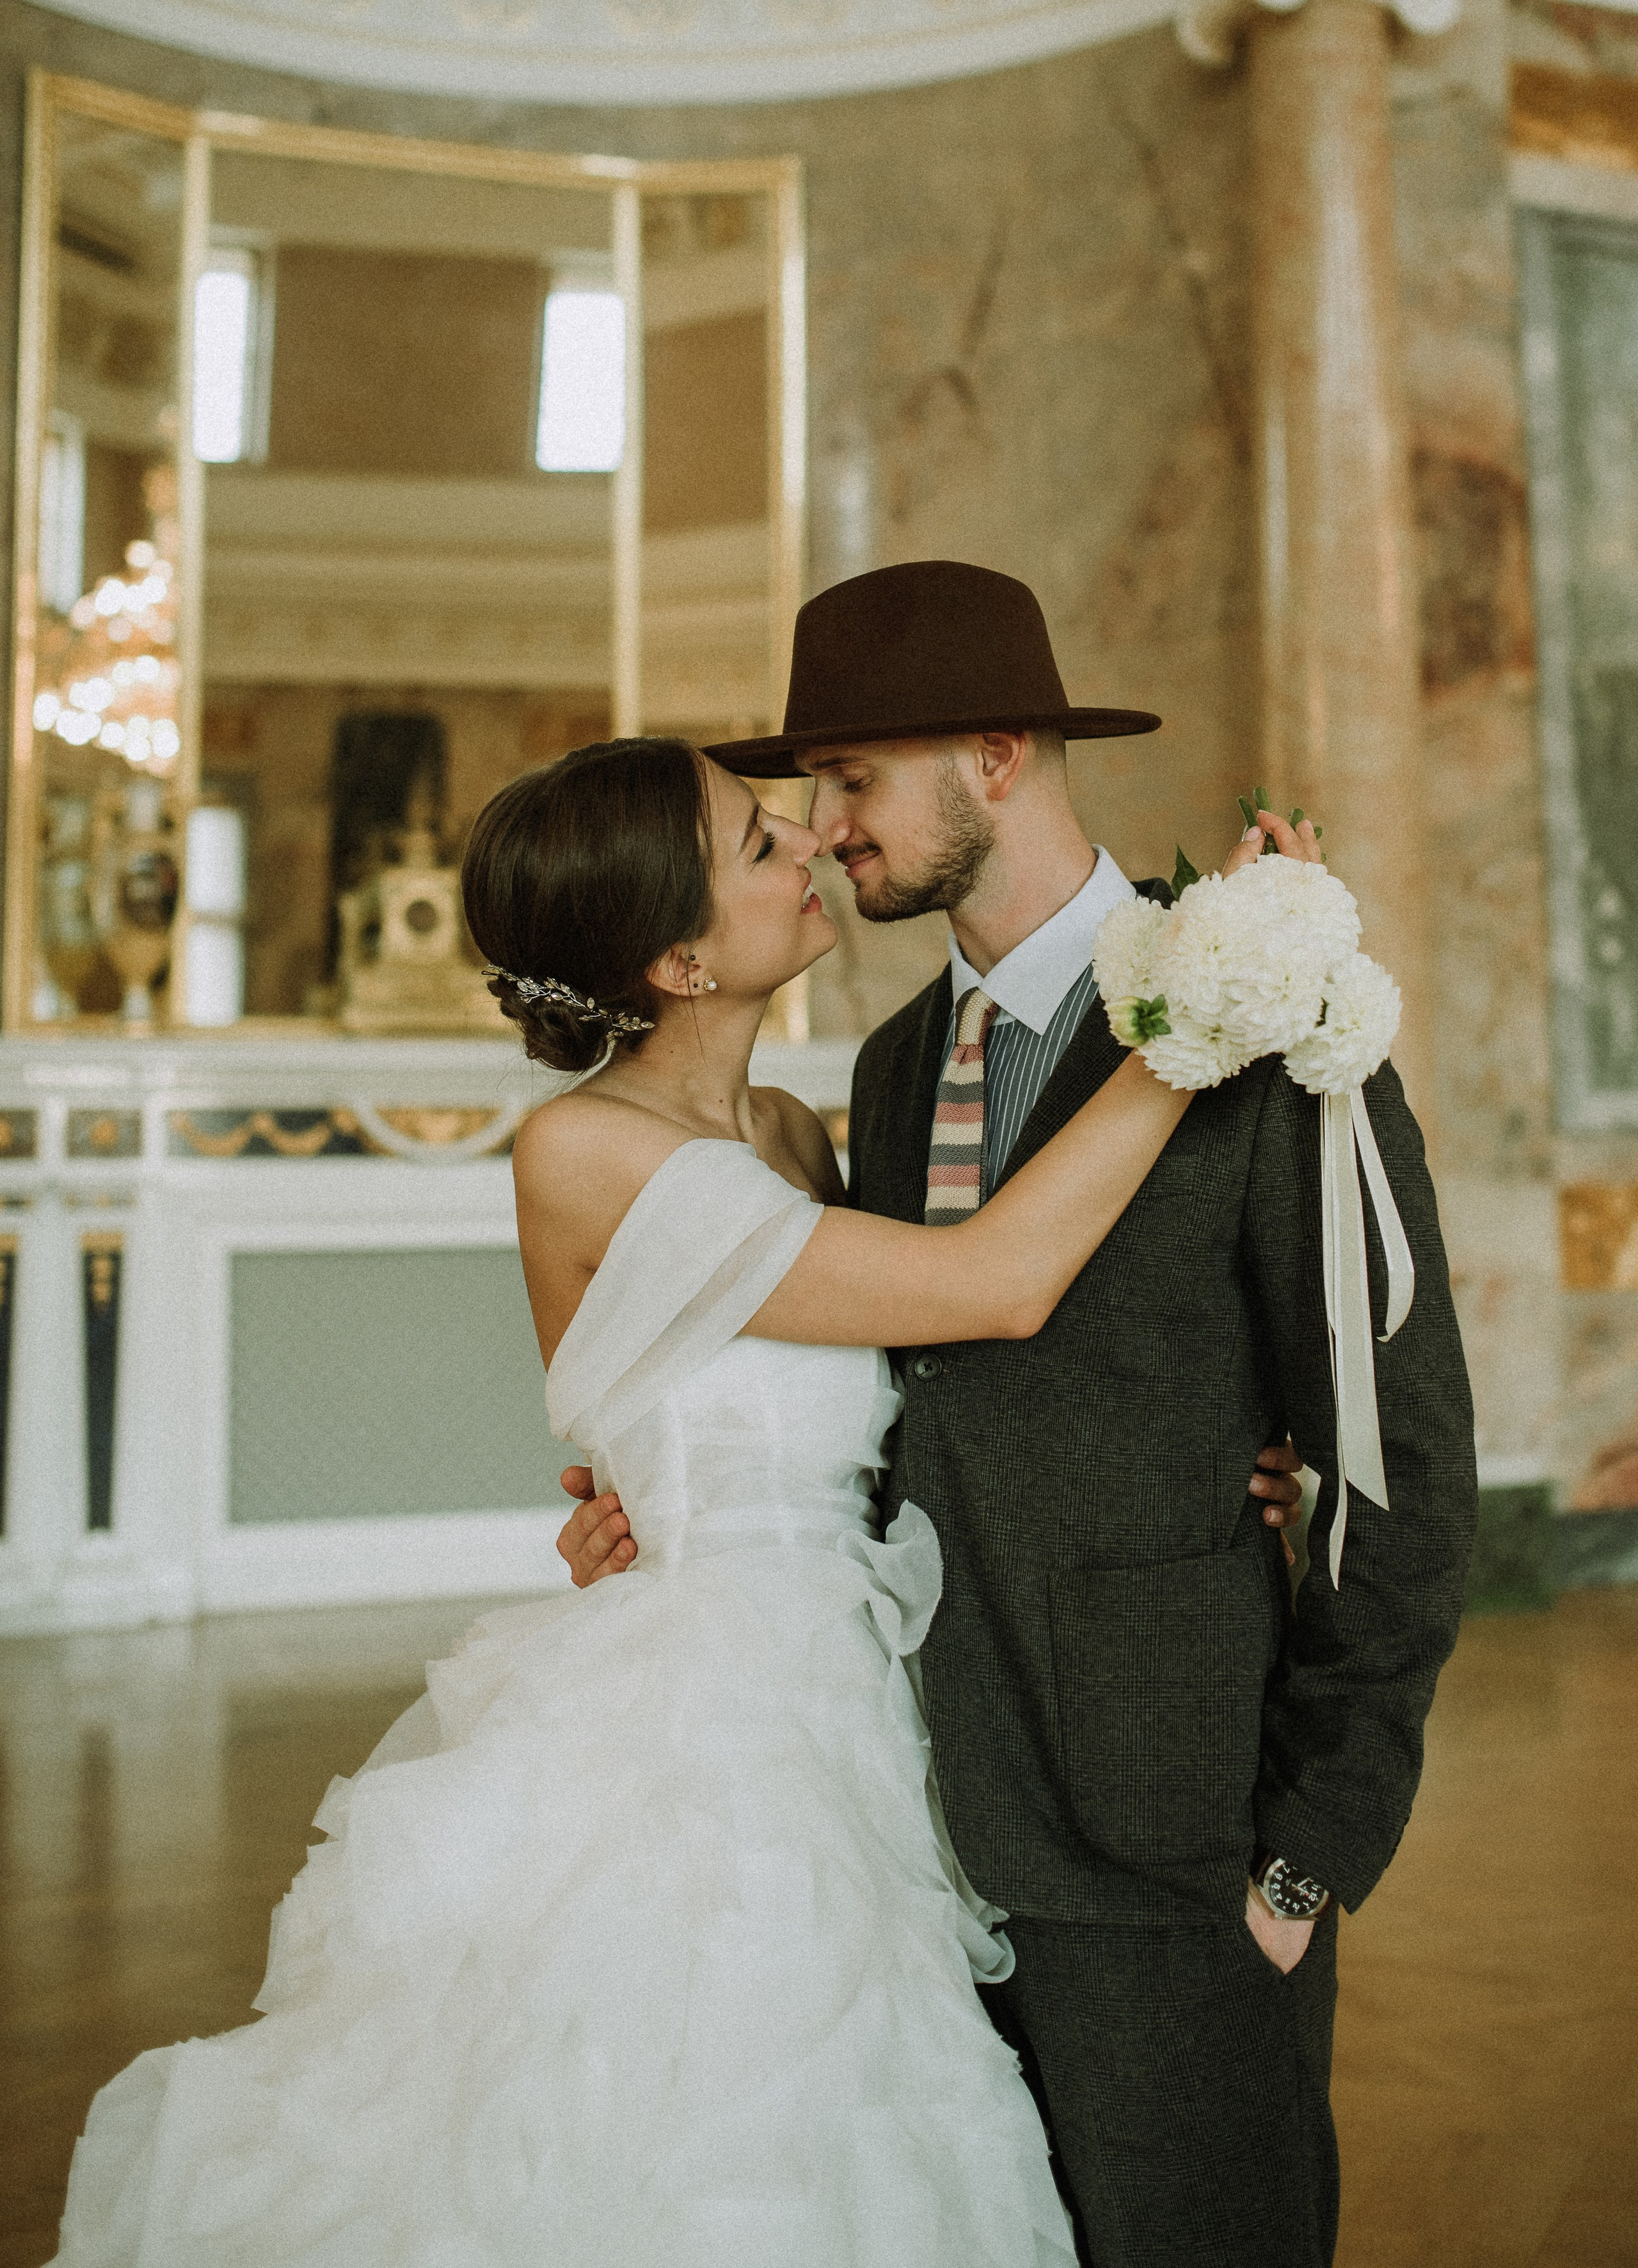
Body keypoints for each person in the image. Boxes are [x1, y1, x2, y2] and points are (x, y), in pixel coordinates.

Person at [49, 731, 1304, 2268]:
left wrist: (1204, 1445)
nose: (809, 846)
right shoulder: (581, 1148)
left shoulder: (794, 1135)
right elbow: (987, 1284)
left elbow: (890, 1399)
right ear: (677, 955)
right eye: (756, 842)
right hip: (706, 1731)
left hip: (866, 1691)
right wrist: (1190, 1011)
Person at [561, 561, 1479, 2268]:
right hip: (912, 1844)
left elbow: (1399, 1456)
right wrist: (666, 1509)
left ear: (994, 756)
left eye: (851, 778)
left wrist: (1305, 1862)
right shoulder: (898, 1066)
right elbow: (911, 1393)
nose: (824, 826)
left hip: (1177, 1845)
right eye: (811, 790)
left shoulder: (1278, 1023)